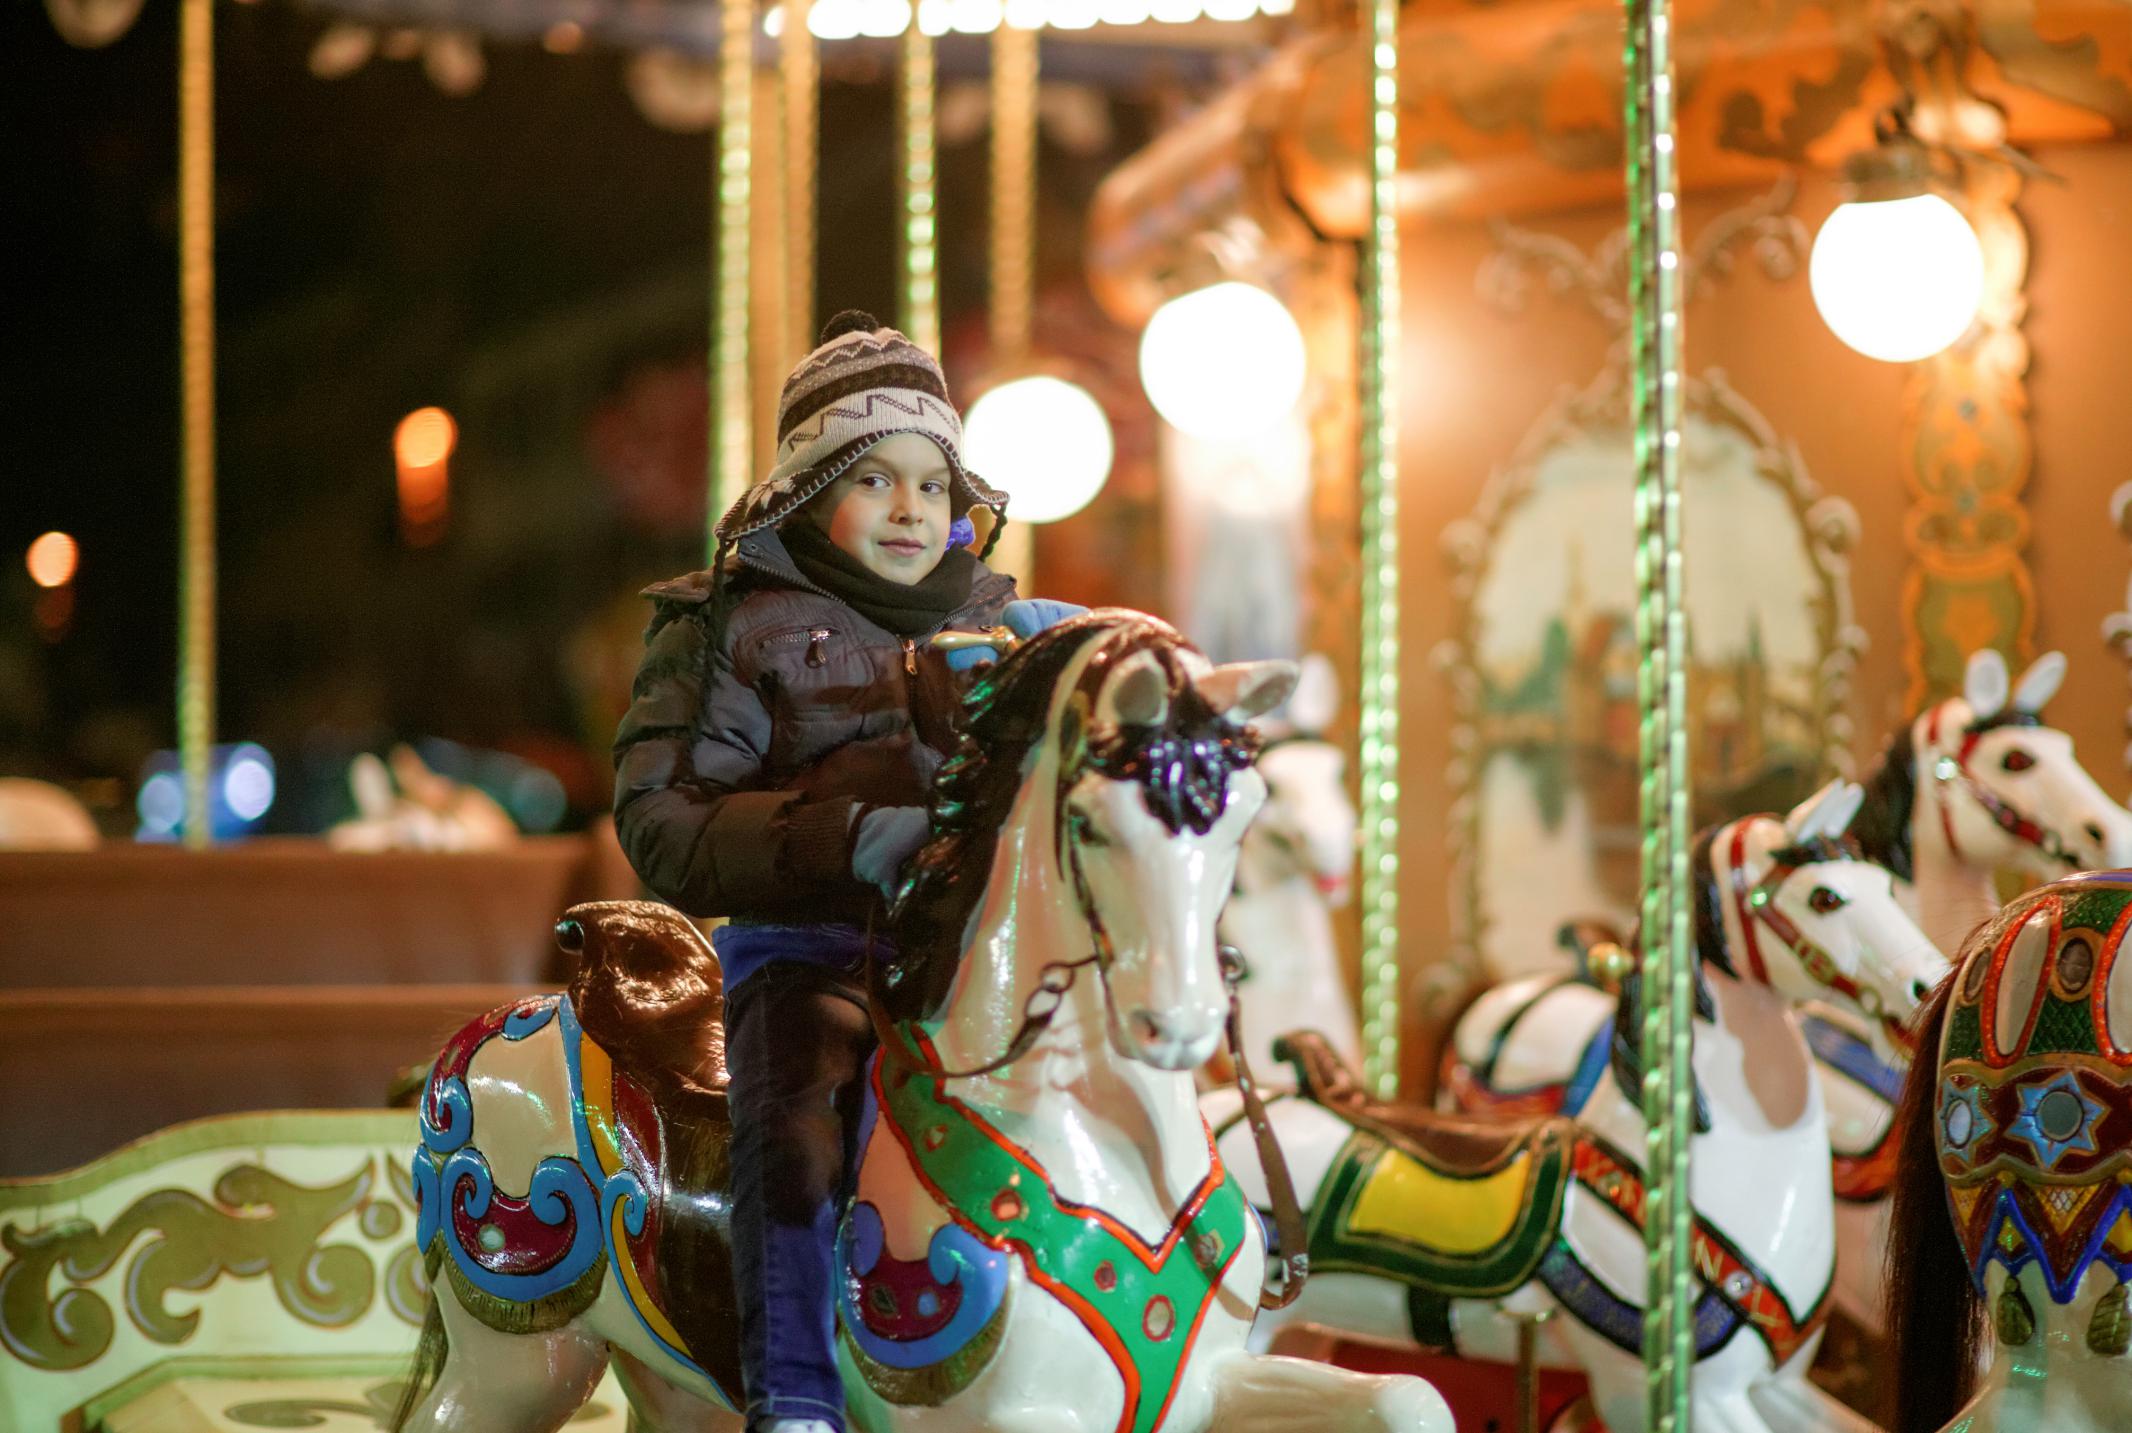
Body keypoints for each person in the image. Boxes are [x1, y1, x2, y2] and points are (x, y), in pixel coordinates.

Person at [613, 311, 1067, 1433]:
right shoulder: (728, 622)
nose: (912, 507)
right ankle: (797, 1392)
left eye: (932, 482)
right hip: (809, 949)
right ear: (811, 490)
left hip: (967, 954)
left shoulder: (1004, 628)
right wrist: (847, 835)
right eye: (875, 478)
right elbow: (663, 821)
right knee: (797, 1134)